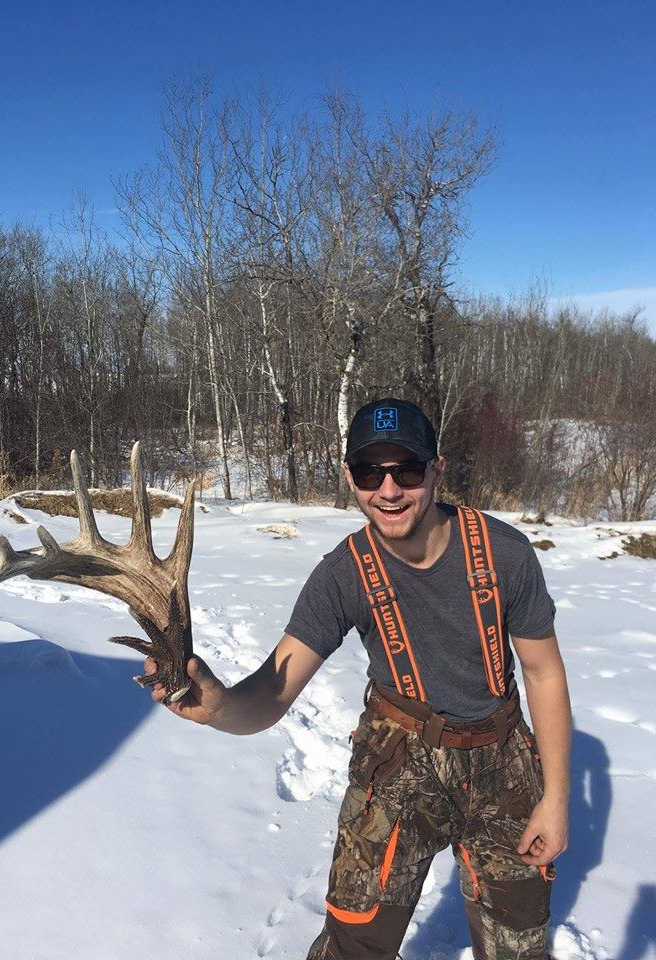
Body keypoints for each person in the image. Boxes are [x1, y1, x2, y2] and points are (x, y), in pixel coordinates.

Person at [144, 397, 571, 960]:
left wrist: (556, 800)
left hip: (502, 762)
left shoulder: (504, 555)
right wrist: (219, 706)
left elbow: (543, 674)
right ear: (350, 478)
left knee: (519, 943)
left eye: (407, 470)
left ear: (437, 470)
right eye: (371, 471)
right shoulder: (343, 574)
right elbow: (273, 690)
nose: (389, 490)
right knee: (354, 938)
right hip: (398, 762)